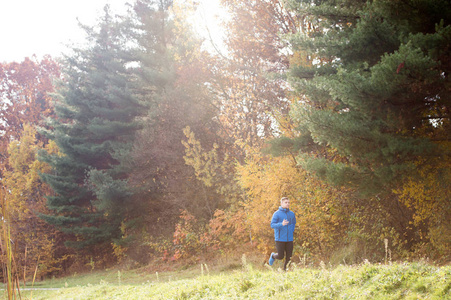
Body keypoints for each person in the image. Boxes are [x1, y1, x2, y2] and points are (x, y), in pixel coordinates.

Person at [268, 197, 296, 270]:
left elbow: (293, 223)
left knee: (289, 257)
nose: (287, 204)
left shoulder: (292, 214)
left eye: (288, 202)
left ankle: (285, 271)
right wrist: (281, 224)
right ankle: (273, 256)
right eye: (285, 202)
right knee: (280, 256)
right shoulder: (277, 214)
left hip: (289, 238)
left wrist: (291, 231)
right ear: (281, 203)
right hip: (280, 238)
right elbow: (272, 225)